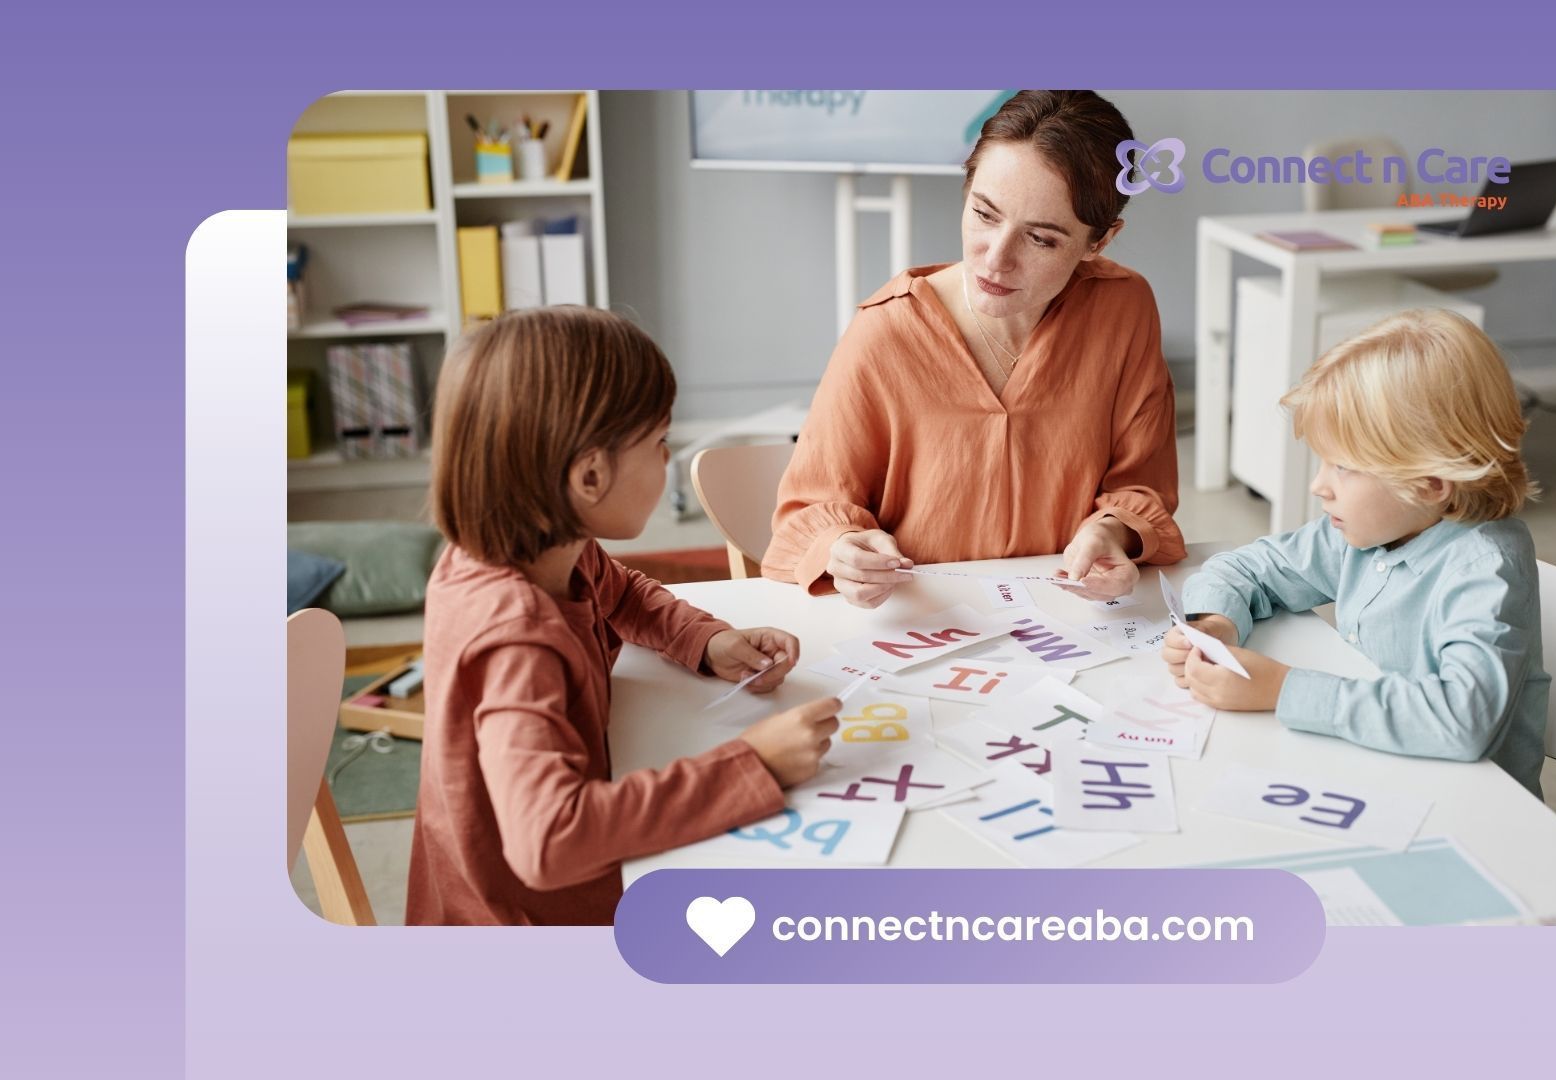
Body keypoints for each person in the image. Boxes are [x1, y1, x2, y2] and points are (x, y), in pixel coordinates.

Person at [408, 307, 841, 925]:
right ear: (589, 476)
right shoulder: (515, 637)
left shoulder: (539, 549)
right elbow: (549, 841)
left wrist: (704, 640)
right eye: (660, 442)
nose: (667, 461)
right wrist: (753, 764)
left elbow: (622, 593)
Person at [763, 90, 1186, 607]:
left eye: (1042, 239)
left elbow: (1143, 484)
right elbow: (811, 511)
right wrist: (843, 550)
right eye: (984, 214)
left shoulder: (1124, 308)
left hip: (1067, 618)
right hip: (923, 620)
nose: (996, 260)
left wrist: (1112, 534)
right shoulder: (886, 332)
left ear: (1098, 241)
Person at [1165, 309, 1552, 795]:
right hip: (1377, 778)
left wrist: (1282, 689)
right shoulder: (1368, 532)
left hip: (1468, 812)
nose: (1318, 486)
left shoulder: (1486, 569)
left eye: (1344, 467)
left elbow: (1462, 720)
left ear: (1429, 482)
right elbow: (1244, 568)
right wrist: (1216, 623)